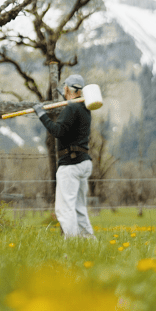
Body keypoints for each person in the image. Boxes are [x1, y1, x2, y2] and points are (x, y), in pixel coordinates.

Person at [34, 73, 94, 238]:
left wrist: (42, 115)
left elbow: (57, 131)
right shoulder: (85, 108)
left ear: (67, 88)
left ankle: (73, 243)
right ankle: (89, 242)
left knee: (64, 208)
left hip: (70, 164)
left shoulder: (72, 107)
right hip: (83, 162)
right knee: (79, 207)